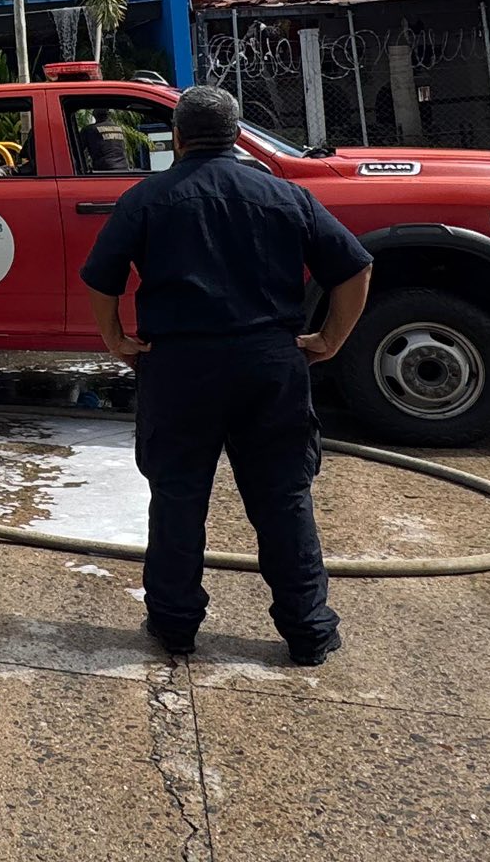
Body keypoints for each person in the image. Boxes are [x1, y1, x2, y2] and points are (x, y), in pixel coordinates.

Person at [80, 85, 373, 666]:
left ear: (177, 138)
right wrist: (330, 340)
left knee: (177, 498)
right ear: (238, 135)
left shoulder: (146, 199)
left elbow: (101, 278)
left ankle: (175, 625)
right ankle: (309, 630)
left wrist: (116, 340)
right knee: (284, 498)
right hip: (270, 364)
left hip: (179, 369)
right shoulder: (285, 194)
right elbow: (354, 268)